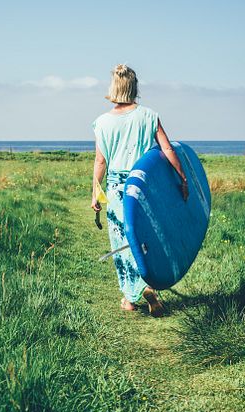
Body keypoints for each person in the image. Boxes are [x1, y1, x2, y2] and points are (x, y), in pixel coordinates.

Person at [91, 64, 188, 317]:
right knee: (147, 239)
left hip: (116, 189)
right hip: (143, 187)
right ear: (134, 88)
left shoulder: (101, 123)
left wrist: (95, 192)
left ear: (113, 88)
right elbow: (168, 151)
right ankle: (150, 285)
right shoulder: (149, 116)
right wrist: (183, 178)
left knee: (123, 242)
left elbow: (101, 162)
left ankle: (130, 297)